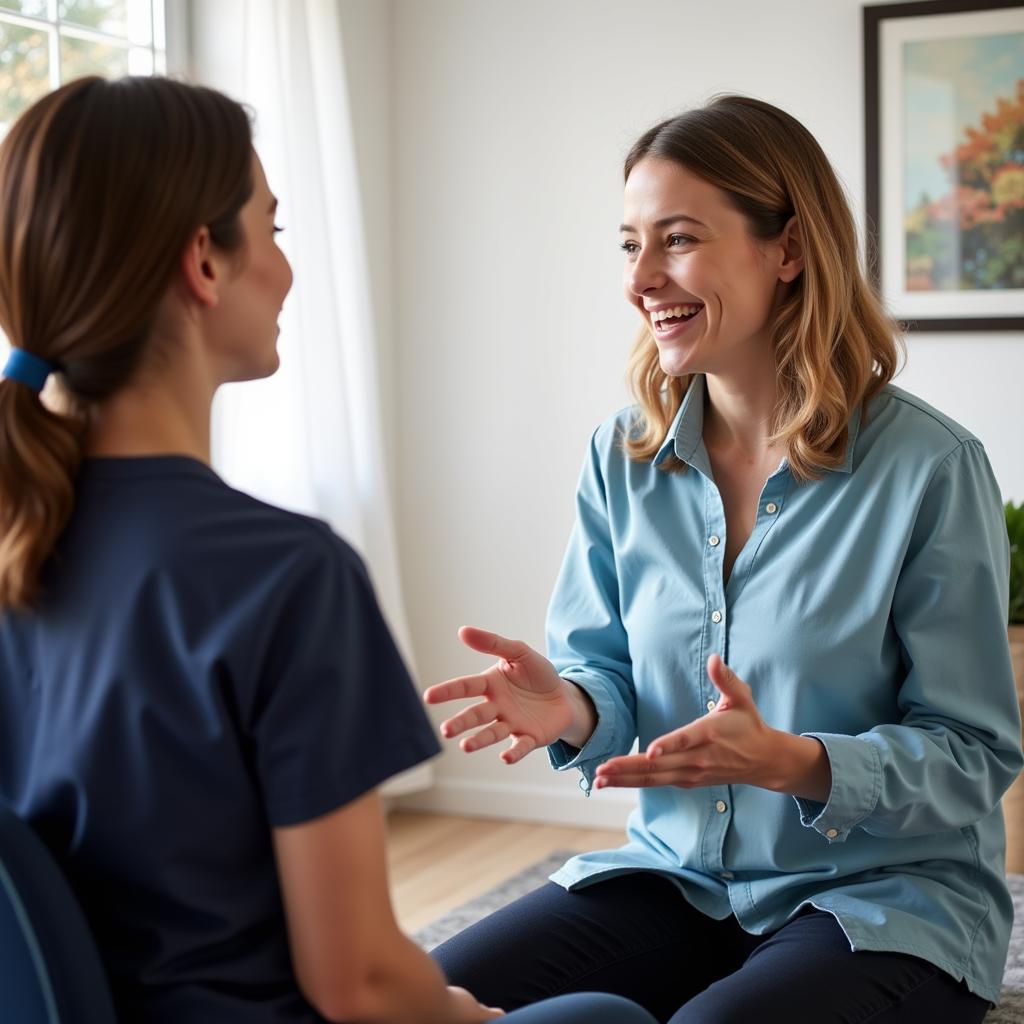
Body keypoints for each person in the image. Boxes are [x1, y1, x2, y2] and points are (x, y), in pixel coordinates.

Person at [0, 76, 658, 1024]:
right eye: (271, 229)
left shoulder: (24, 541)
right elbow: (358, 984)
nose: (286, 267)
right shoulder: (283, 577)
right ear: (205, 262)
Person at [426, 94, 1022, 1024]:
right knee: (421, 1002)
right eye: (631, 244)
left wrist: (794, 762)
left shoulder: (930, 469)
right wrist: (575, 707)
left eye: (678, 239)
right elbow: (610, 675)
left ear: (786, 251)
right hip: (677, 878)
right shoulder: (620, 457)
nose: (642, 278)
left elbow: (975, 753)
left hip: (882, 903)